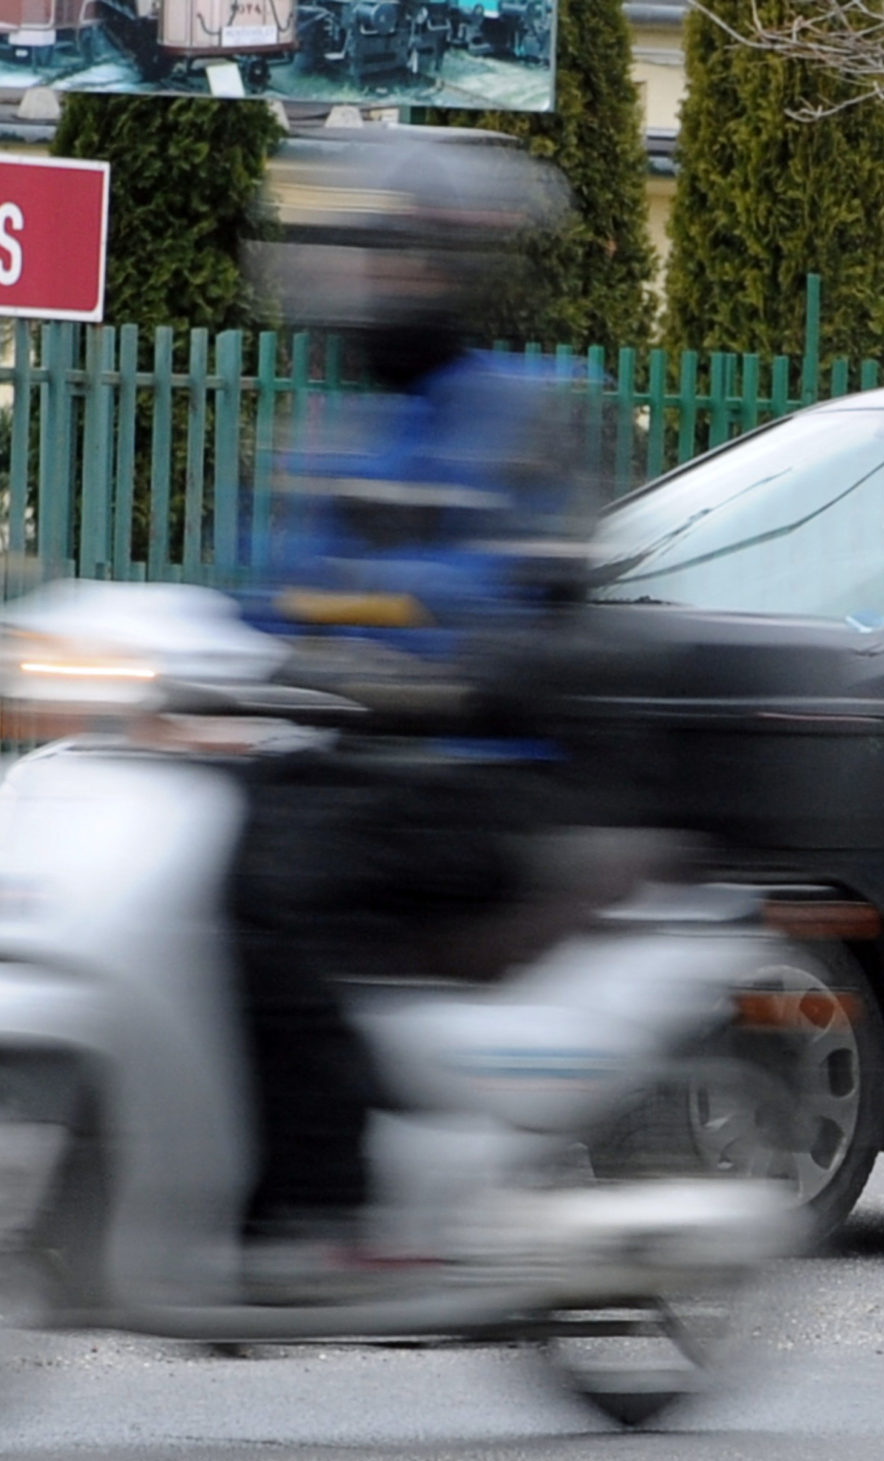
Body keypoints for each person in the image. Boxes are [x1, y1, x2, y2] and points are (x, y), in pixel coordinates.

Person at [229, 133, 596, 1292]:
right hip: (366, 758)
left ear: (459, 277)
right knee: (200, 837)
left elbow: (502, 607)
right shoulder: (346, 430)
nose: (379, 289)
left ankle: (334, 1202)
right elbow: (262, 584)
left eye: (406, 265)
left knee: (273, 889)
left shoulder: (522, 415)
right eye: (373, 263)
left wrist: (384, 646)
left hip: (480, 776)